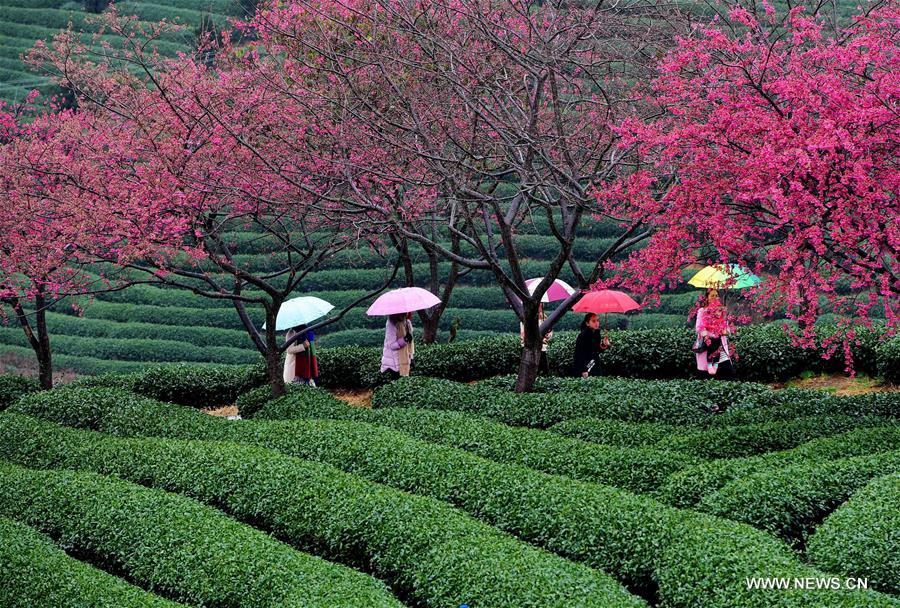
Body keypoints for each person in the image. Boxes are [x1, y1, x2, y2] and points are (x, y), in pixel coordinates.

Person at [693, 289, 734, 377]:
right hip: (708, 345)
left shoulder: (721, 311)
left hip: (721, 346)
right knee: (706, 374)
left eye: (716, 295)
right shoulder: (702, 310)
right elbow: (698, 328)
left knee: (728, 372)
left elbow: (727, 328)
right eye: (712, 296)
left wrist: (724, 331)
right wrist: (711, 335)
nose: (715, 298)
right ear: (707, 298)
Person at [571, 313, 610, 378]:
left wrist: (604, 344)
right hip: (585, 366)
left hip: (595, 364)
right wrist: (584, 370)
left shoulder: (597, 333)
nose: (597, 323)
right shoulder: (583, 336)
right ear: (587, 323)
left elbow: (597, 350)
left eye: (598, 320)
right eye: (593, 321)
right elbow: (579, 354)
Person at [520, 304, 553, 375]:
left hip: (542, 348)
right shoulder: (526, 318)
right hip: (530, 349)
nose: (540, 307)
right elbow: (524, 335)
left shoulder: (544, 317)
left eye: (541, 305)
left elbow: (549, 332)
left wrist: (548, 335)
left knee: (545, 371)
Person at [381, 312, 415, 379]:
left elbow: (410, 345)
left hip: (405, 359)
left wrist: (411, 357)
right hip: (393, 363)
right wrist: (404, 340)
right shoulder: (391, 323)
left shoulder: (407, 323)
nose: (405, 314)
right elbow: (392, 345)